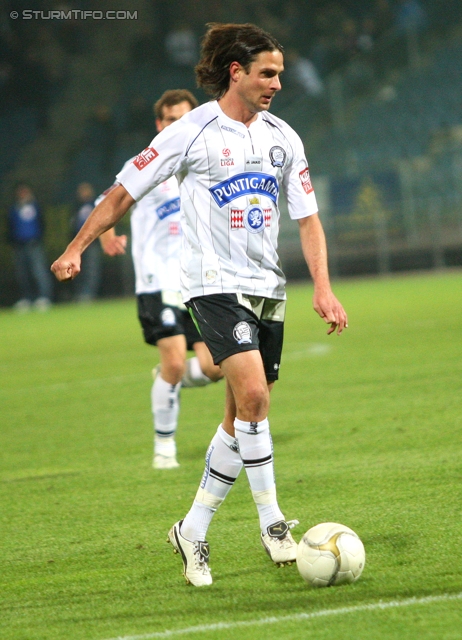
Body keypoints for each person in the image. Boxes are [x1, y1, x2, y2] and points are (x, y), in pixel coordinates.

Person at [51, 22, 348, 588]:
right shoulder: (188, 132)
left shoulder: (284, 137)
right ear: (235, 72)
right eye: (267, 73)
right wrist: (76, 247)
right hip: (211, 284)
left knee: (241, 418)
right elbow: (121, 193)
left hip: (268, 289)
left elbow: (308, 218)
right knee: (255, 396)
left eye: (280, 74)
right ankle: (272, 525)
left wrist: (324, 287)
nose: (277, 84)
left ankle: (192, 528)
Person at [98, 89, 223, 470]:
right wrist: (106, 236)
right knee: (171, 361)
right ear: (159, 124)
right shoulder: (148, 164)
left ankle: (168, 381)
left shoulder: (202, 166)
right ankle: (164, 448)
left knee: (215, 367)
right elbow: (110, 199)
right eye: (169, 120)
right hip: (157, 283)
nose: (176, 126)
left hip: (196, 283)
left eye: (183, 119)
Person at [8, 182, 53, 312]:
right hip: (19, 245)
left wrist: (39, 239)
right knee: (22, 274)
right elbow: (10, 226)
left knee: (39, 271)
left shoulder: (35, 206)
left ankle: (44, 297)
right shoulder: (14, 208)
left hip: (34, 244)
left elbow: (42, 223)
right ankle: (27, 298)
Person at [72, 182, 102, 302]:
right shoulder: (76, 207)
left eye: (86, 190)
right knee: (78, 269)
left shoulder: (96, 204)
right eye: (81, 191)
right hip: (78, 244)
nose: (83, 193)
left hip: (92, 243)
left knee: (92, 270)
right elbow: (72, 225)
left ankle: (89, 294)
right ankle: (80, 293)